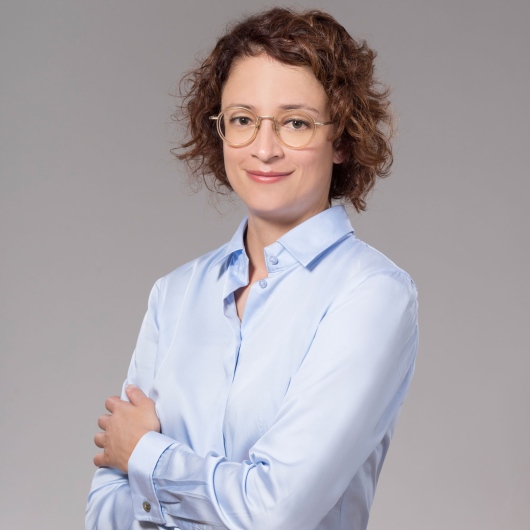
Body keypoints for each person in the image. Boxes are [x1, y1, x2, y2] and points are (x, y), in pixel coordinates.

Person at [86, 7, 418, 530]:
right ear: (219, 130)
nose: (264, 149)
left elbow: (275, 511)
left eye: (295, 123)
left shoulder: (372, 295)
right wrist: (175, 478)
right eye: (242, 119)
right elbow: (105, 507)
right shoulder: (174, 293)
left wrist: (144, 453)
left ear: (341, 139)